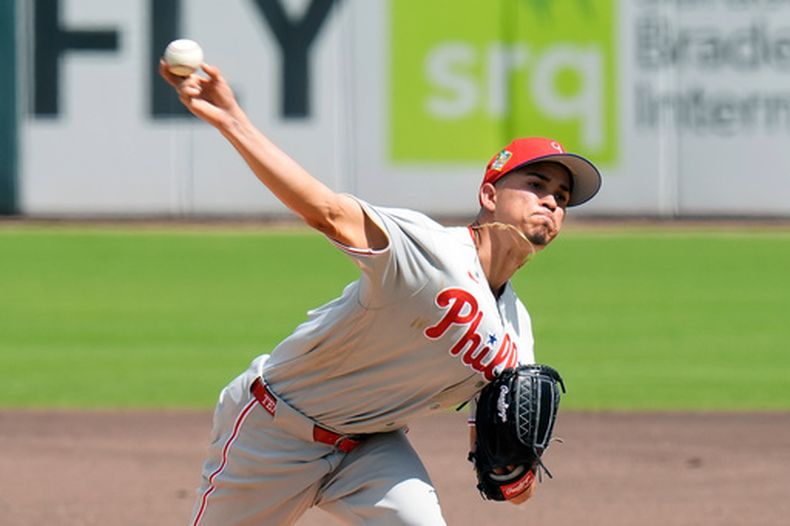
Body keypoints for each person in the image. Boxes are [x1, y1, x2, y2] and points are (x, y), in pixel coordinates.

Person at [160, 59, 602, 526]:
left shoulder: (517, 331)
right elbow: (326, 211)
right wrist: (233, 120)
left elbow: (504, 473)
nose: (551, 201)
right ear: (489, 194)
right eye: (536, 185)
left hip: (373, 450)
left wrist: (516, 475)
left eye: (562, 197)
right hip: (275, 431)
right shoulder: (429, 251)